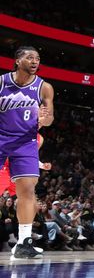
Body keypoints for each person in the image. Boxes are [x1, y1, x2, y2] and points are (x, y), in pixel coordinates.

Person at [1, 46, 55, 259]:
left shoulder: (44, 87)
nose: (34, 61)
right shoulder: (2, 82)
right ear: (17, 61)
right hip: (1, 137)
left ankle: (23, 242)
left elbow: (49, 118)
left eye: (37, 58)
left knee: (27, 190)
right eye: (30, 57)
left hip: (25, 142)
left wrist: (44, 119)